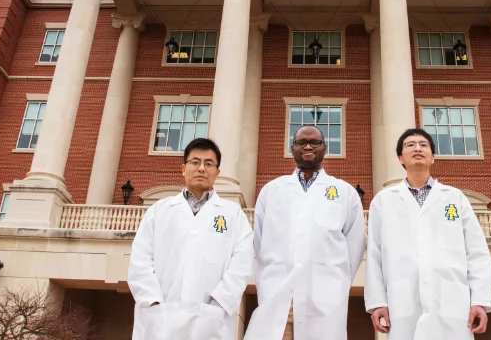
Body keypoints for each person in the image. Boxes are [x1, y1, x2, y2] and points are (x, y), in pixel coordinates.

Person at [365, 128, 491, 340]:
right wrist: (378, 302)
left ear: (433, 157)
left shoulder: (455, 198)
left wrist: (480, 299)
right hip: (402, 300)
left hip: (452, 301)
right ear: (400, 158)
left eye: (423, 145)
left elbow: (476, 251)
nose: (417, 148)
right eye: (410, 145)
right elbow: (375, 255)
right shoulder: (383, 201)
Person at [243, 125, 366, 340]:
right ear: (293, 148)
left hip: (324, 301)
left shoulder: (345, 193)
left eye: (315, 142)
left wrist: (337, 284)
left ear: (325, 148)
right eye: (301, 142)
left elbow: (354, 249)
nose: (308, 146)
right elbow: (260, 244)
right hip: (279, 297)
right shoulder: (272, 191)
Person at [128, 137, 253, 340]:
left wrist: (217, 306)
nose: (201, 168)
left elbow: (242, 265)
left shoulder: (233, 214)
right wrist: (153, 303)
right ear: (183, 168)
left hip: (210, 323)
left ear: (217, 172)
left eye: (209, 164)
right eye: (195, 162)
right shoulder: (159, 210)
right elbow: (139, 262)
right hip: (159, 320)